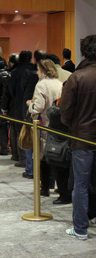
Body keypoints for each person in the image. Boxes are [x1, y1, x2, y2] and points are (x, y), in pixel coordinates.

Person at [60, 35, 96, 240]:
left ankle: (81, 228)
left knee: (81, 185)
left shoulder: (77, 77)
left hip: (82, 137)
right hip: (86, 136)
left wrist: (73, 125)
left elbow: (65, 112)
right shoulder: (78, 75)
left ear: (83, 52)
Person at [26, 59, 63, 196]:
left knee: (43, 158)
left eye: (38, 69)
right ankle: (60, 186)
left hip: (44, 125)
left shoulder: (41, 85)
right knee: (58, 156)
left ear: (43, 70)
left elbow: (39, 106)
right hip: (59, 125)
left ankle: (45, 187)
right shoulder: (59, 84)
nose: (37, 72)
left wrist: (30, 105)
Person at [21, 50, 46, 179]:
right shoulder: (57, 80)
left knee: (31, 142)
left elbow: (26, 94)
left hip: (35, 115)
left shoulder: (35, 78)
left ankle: (31, 169)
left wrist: (29, 105)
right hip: (49, 118)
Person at [0, 53, 19, 156]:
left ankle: (13, 153)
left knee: (13, 129)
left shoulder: (9, 74)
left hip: (11, 106)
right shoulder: (27, 72)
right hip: (22, 105)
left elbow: (6, 93)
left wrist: (4, 108)